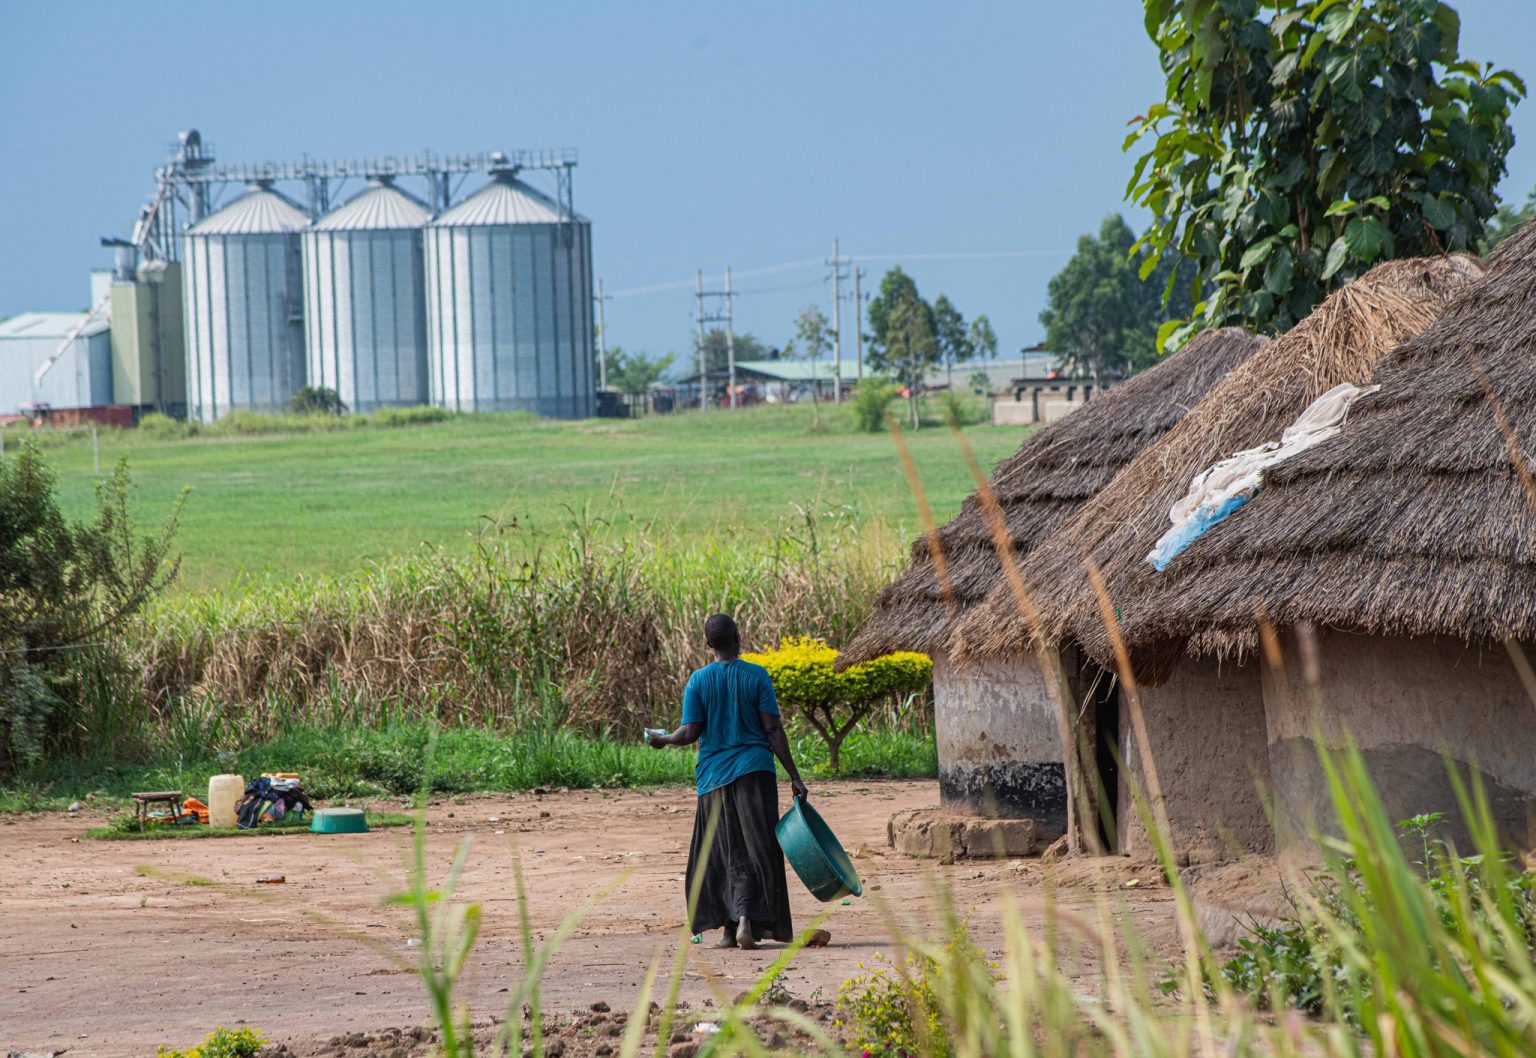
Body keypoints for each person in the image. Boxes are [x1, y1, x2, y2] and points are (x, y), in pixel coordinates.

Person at [646, 613, 808, 950]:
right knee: (757, 848)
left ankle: (728, 927)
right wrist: (794, 775)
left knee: (722, 852)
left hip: (713, 779)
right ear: (739, 637)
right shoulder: (757, 676)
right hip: (755, 773)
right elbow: (773, 730)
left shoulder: (698, 681)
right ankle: (748, 920)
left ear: (709, 645)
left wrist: (663, 740)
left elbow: (689, 732)